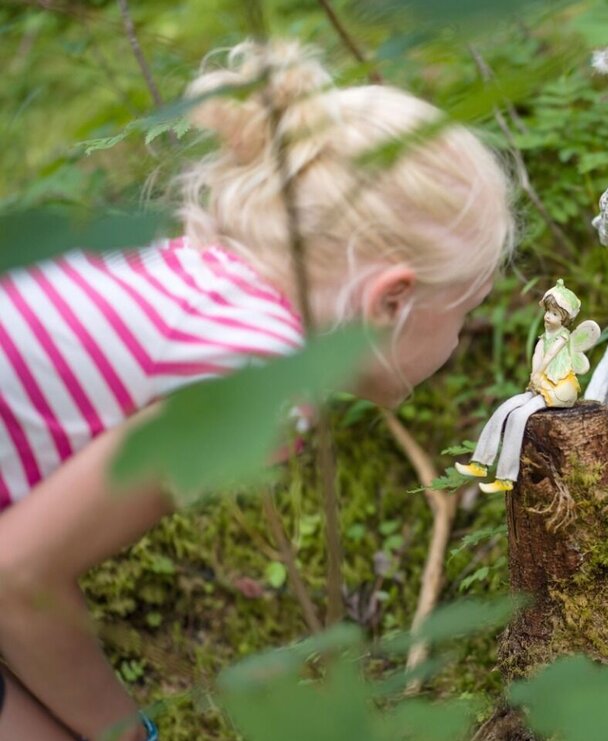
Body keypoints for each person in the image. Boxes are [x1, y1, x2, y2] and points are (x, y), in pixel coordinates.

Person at [0, 40, 514, 741]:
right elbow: (17, 577)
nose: (460, 341)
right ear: (391, 300)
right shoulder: (256, 370)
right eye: (465, 312)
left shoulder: (194, 285)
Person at [455, 280, 599, 493]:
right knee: (504, 408)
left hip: (560, 389)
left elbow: (549, 356)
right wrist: (535, 375)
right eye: (548, 311)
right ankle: (480, 463)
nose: (549, 317)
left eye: (556, 314)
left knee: (519, 416)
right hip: (541, 384)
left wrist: (540, 375)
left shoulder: (562, 337)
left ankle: (506, 477)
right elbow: (538, 354)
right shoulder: (545, 337)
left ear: (565, 319)